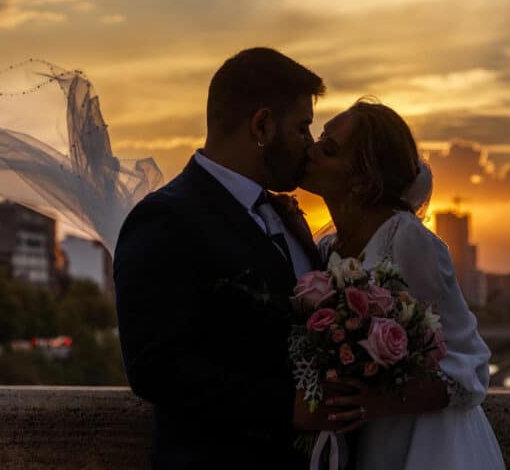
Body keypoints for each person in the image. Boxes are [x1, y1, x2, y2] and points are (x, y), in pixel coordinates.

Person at [113, 48, 360, 469]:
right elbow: (155, 367)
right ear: (262, 125)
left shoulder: (285, 216)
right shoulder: (164, 219)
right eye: (303, 128)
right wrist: (288, 407)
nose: (309, 146)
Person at [299, 99, 505, 469]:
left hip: (427, 445)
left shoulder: (408, 242)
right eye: (318, 138)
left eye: (328, 150)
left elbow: (471, 369)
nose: (309, 150)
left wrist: (382, 401)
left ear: (363, 181)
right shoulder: (327, 247)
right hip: (367, 442)